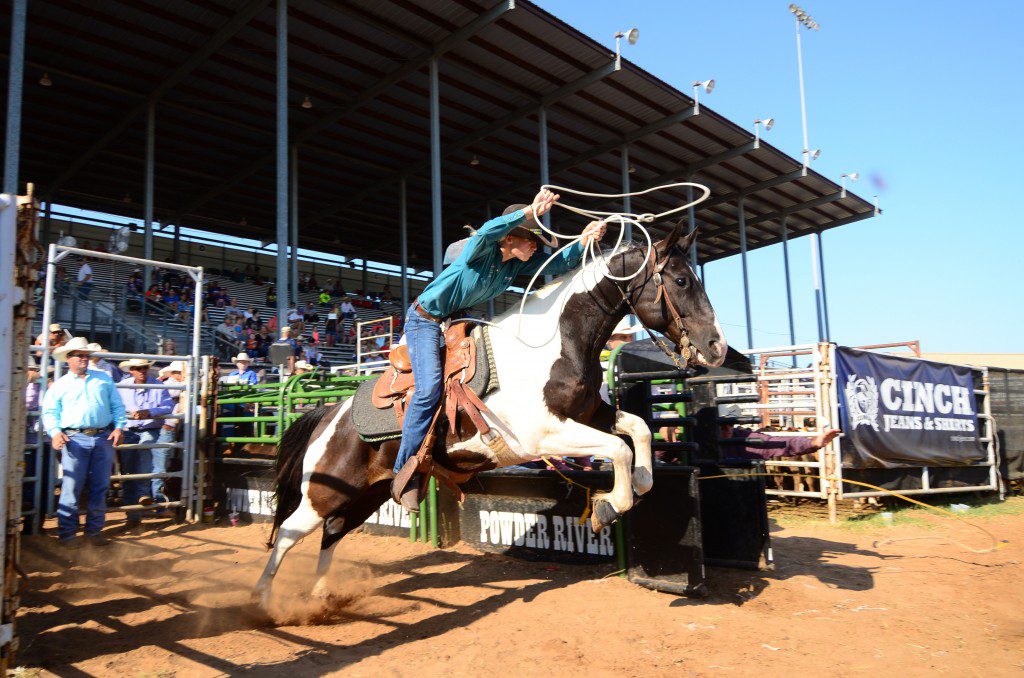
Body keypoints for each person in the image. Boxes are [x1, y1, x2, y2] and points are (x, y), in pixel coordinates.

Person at [390, 189, 606, 509]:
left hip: (455, 322)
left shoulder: (512, 267)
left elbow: (556, 262)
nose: (535, 246)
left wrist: (584, 242)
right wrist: (529, 212)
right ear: (510, 239)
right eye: (531, 239)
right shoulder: (480, 250)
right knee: (428, 389)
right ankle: (403, 467)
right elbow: (491, 227)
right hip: (424, 321)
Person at [41, 337, 126, 546]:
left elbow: (117, 406)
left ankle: (93, 532)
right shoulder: (61, 384)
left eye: (86, 355)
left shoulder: (103, 379)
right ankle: (68, 534)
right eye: (79, 355)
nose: (84, 359)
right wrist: (54, 432)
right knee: (72, 486)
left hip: (102, 436)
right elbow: (50, 411)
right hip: (74, 438)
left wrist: (119, 426)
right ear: (68, 358)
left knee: (100, 485)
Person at [118, 358, 174, 527]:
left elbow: (168, 407)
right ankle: (133, 515)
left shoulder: (157, 385)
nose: (142, 370)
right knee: (128, 471)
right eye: (138, 368)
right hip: (129, 430)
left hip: (149, 429)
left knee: (144, 448)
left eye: (144, 367)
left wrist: (149, 412)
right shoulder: (122, 386)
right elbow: (117, 407)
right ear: (131, 370)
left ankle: (143, 494)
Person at [717, 404, 840, 461]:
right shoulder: (700, 441)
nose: (728, 428)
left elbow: (776, 443)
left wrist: (812, 443)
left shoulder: (743, 438)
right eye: (722, 425)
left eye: (731, 424)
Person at [155, 361, 186, 510]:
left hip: (171, 429)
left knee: (165, 465)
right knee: (161, 466)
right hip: (166, 429)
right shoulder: (170, 385)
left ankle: (161, 500)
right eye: (180, 373)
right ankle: (159, 501)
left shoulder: (171, 385)